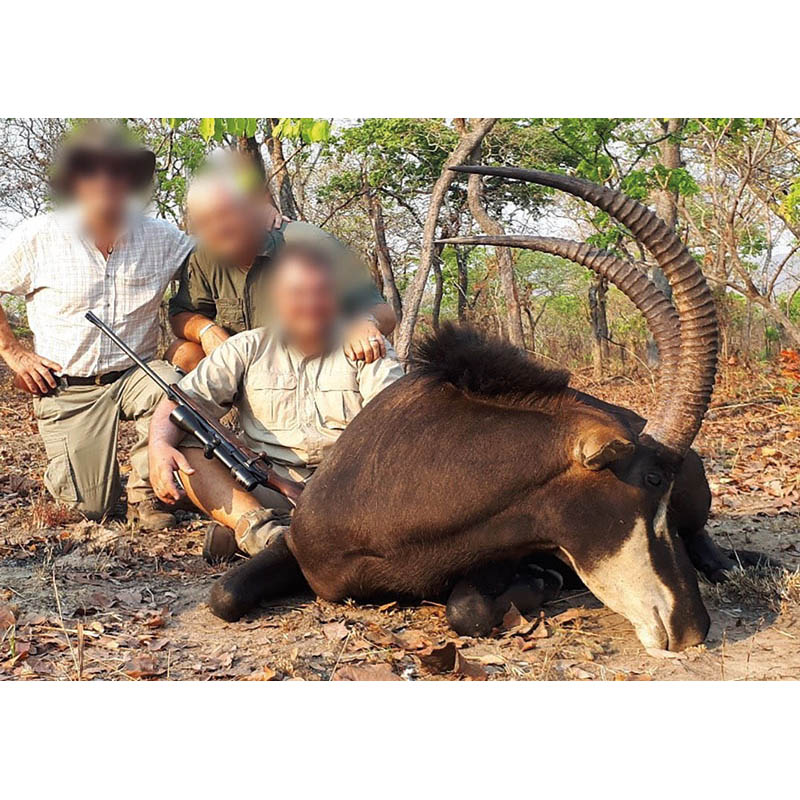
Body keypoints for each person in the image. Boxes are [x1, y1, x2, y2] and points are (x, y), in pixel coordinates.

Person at [149, 243, 404, 562]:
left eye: (321, 292)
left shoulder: (367, 346)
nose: (310, 304)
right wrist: (158, 447)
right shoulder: (245, 347)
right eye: (297, 293)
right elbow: (180, 403)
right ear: (277, 300)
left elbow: (399, 426)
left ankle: (265, 536)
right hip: (269, 485)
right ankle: (261, 533)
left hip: (351, 489)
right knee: (187, 444)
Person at [0, 122, 193, 529]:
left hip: (136, 374)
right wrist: (14, 352)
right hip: (67, 387)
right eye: (92, 169)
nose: (106, 180)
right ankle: (73, 471)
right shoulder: (38, 235)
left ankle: (148, 492)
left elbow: (221, 256)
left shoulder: (163, 236)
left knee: (171, 384)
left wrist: (264, 217)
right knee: (91, 508)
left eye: (118, 169)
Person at [166, 158, 396, 373]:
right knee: (184, 353)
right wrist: (206, 331)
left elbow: (384, 313)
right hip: (246, 372)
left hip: (315, 369)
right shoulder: (204, 257)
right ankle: (215, 417)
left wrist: (365, 323)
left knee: (372, 347)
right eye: (205, 221)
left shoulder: (312, 243)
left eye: (225, 215)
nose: (218, 229)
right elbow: (182, 313)